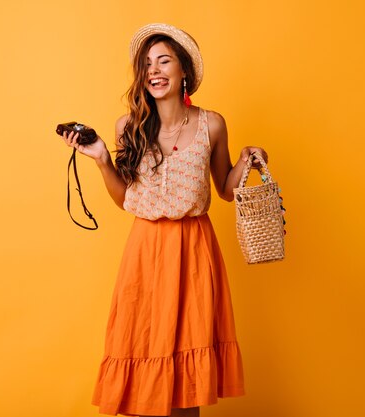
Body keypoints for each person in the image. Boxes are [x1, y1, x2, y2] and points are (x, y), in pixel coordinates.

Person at [62, 23, 268, 417]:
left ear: (183, 71)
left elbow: (225, 190)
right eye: (147, 64)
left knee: (186, 385)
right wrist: (104, 159)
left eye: (164, 61)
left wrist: (246, 160)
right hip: (145, 253)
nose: (154, 70)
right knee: (141, 362)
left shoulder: (211, 124)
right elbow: (126, 199)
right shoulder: (129, 127)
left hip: (194, 252)